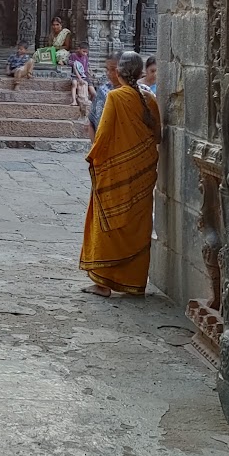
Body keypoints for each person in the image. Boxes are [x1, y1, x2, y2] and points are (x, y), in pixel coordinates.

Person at [79, 50, 161, 298]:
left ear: (120, 73)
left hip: (116, 173)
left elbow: (103, 136)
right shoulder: (150, 99)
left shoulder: (115, 97)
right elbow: (158, 136)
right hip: (144, 173)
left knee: (109, 223)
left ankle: (103, 283)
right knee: (138, 225)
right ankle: (134, 282)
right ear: (140, 72)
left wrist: (93, 159)